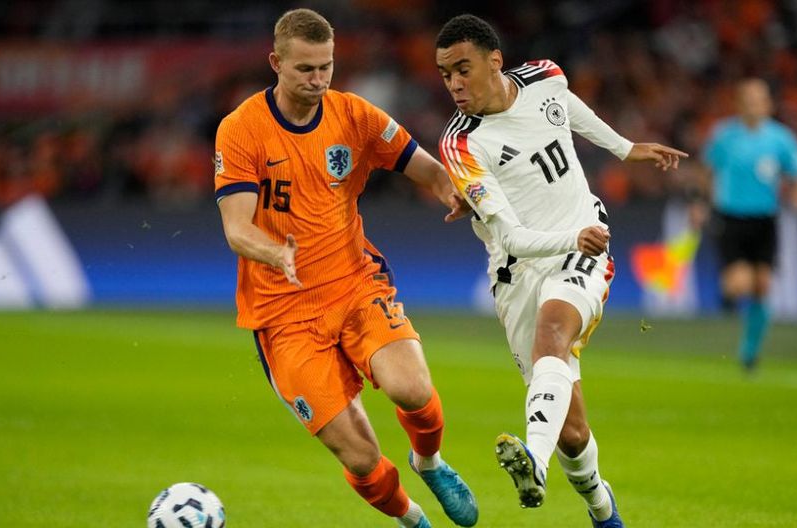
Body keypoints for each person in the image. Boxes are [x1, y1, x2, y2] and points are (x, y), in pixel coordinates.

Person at [214, 9, 477, 528]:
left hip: (354, 283)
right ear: (276, 63)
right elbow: (236, 228)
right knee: (360, 458)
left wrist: (449, 189)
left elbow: (423, 166)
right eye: (305, 69)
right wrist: (277, 253)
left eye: (326, 67)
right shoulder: (241, 129)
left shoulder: (353, 115)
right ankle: (413, 520)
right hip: (283, 314)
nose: (318, 80)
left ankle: (429, 462)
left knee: (413, 390)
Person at [434, 14, 687, 527]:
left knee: (552, 335)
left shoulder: (544, 75)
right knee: (572, 432)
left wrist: (624, 148)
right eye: (445, 75)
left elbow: (566, 109)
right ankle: (603, 510)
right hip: (518, 272)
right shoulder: (461, 144)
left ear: (494, 61)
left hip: (583, 245)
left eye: (463, 69)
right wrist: (568, 238)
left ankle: (535, 463)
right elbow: (510, 239)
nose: (454, 84)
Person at [702, 78, 797, 368]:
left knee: (762, 286)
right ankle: (727, 293)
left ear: (768, 104)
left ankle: (749, 352)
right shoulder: (724, 135)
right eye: (748, 100)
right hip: (731, 218)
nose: (753, 105)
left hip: (765, 219)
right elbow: (707, 170)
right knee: (740, 284)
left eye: (759, 99)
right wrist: (701, 202)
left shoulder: (780, 138)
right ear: (739, 104)